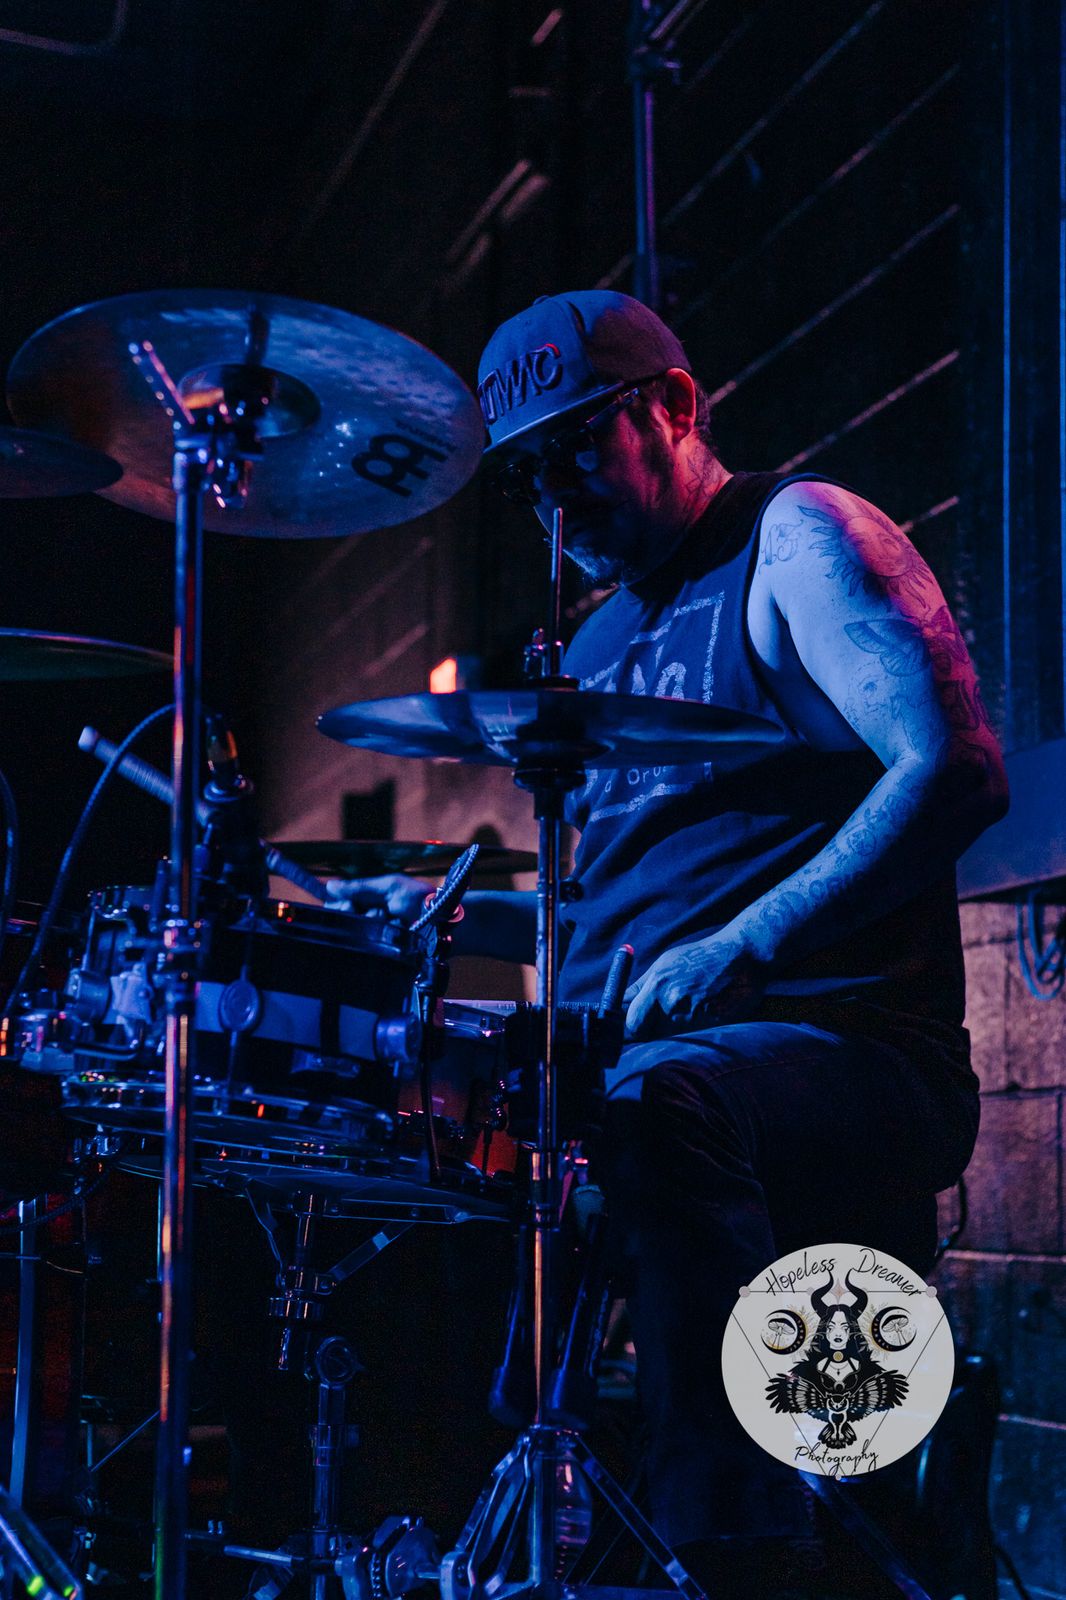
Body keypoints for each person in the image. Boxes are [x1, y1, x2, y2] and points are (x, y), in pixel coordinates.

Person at [330, 290, 1008, 1597]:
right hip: (665, 1064)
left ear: (676, 406)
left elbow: (955, 770)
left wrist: (736, 946)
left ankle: (742, 1554)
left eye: (574, 448)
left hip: (847, 1049)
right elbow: (618, 902)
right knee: (409, 1146)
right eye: (522, 477)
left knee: (656, 1100)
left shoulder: (797, 538)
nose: (552, 499)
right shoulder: (596, 640)